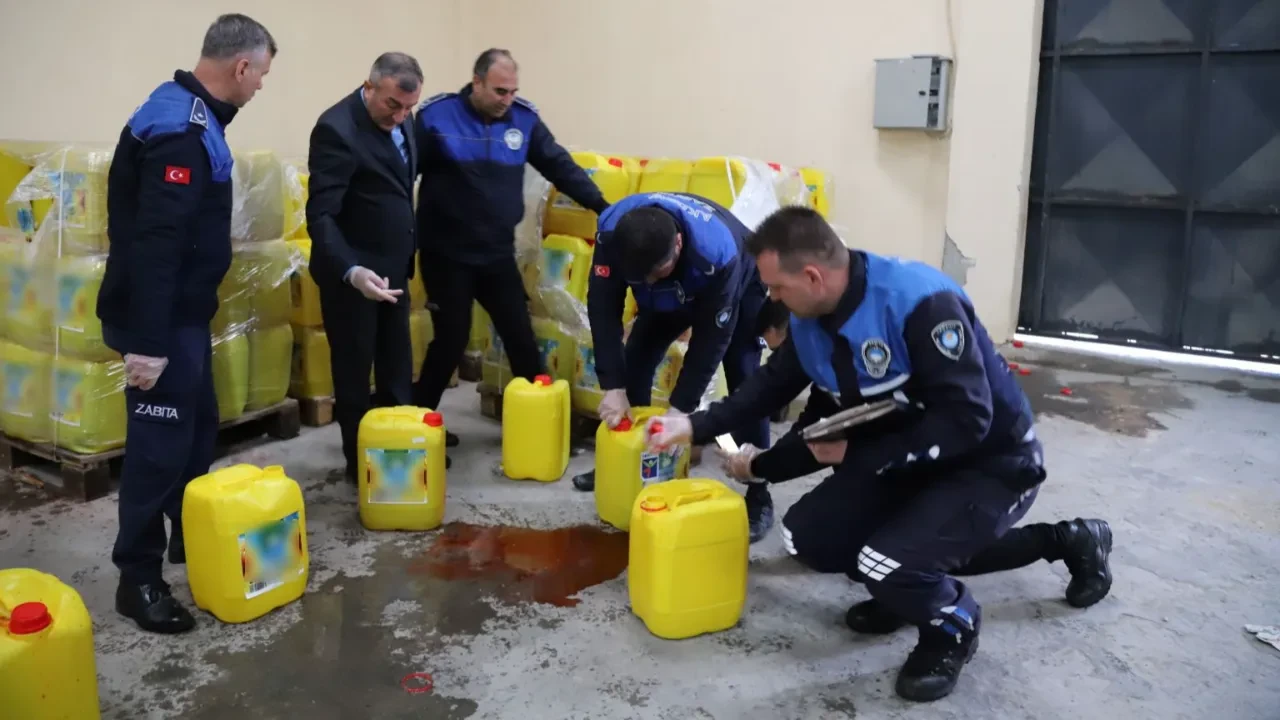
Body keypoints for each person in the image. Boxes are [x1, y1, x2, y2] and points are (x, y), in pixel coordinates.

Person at [646, 207, 1106, 702]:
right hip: (907, 455)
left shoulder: (919, 304)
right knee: (812, 537)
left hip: (991, 462)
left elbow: (967, 420)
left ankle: (956, 621)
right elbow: (768, 391)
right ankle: (905, 585)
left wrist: (856, 456)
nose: (772, 299)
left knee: (886, 561)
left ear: (813, 276)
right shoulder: (811, 320)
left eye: (776, 288)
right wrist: (692, 425)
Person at [725, 298, 1113, 618]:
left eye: (783, 354)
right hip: (902, 462)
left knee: (898, 553)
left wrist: (758, 467)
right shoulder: (832, 361)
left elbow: (937, 429)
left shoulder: (894, 350)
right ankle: (902, 584)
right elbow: (815, 430)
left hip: (972, 467)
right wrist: (764, 462)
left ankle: (1067, 540)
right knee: (811, 534)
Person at [96, 13, 276, 634]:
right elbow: (156, 243)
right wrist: (146, 346)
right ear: (241, 66)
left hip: (183, 321)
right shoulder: (180, 129)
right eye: (261, 77)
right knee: (157, 453)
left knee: (195, 439)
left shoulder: (193, 117)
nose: (259, 90)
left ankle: (189, 546)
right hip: (161, 325)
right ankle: (137, 578)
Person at [412, 48, 609, 445]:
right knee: (451, 337)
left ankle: (544, 423)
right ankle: (417, 425)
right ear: (477, 82)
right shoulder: (436, 118)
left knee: (520, 334)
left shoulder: (524, 119)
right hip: (445, 253)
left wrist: (604, 208)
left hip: (496, 253)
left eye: (512, 91)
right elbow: (401, 176)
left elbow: (559, 165)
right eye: (499, 91)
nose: (507, 99)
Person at [570, 192, 775, 543]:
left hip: (734, 285)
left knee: (745, 380)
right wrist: (612, 387)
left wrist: (682, 411)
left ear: (678, 244)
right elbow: (602, 310)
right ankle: (625, 465)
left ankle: (759, 493)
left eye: (655, 273)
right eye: (641, 277)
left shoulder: (717, 253)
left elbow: (710, 341)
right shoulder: (612, 234)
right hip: (673, 289)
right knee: (634, 360)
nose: (647, 282)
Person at [306, 52, 427, 481]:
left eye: (409, 108)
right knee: (355, 373)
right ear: (370, 86)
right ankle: (362, 468)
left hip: (393, 268)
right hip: (352, 276)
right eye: (392, 104)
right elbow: (321, 215)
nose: (400, 115)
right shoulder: (336, 129)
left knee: (397, 366)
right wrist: (352, 271)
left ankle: (396, 457)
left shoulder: (404, 119)